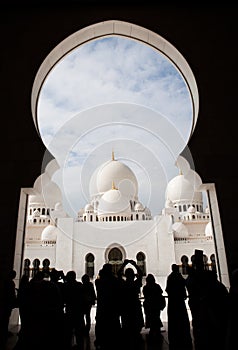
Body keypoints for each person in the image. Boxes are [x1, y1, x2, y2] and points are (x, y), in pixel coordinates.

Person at [117, 259, 144, 349]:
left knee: (126, 326)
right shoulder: (136, 284)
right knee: (136, 328)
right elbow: (141, 274)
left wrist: (124, 264)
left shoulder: (123, 284)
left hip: (126, 307)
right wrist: (135, 265)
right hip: (135, 306)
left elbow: (118, 274)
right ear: (133, 275)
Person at [94, 263, 121, 350]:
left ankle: (100, 341)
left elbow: (98, 279)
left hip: (102, 309)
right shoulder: (114, 281)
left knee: (101, 327)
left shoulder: (99, 282)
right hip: (112, 310)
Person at [166, 264, 192, 350]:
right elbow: (184, 285)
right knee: (182, 319)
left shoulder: (170, 277)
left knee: (174, 320)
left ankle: (175, 335)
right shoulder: (179, 276)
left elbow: (168, 289)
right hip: (179, 302)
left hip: (173, 302)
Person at [64, 270, 85, 349]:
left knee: (68, 332)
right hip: (78, 312)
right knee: (79, 332)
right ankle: (80, 346)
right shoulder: (79, 285)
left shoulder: (66, 286)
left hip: (70, 311)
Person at [143, 273, 165, 338]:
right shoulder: (157, 286)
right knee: (156, 317)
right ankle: (157, 330)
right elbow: (161, 292)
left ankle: (152, 330)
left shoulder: (145, 287)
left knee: (150, 318)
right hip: (156, 305)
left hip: (149, 305)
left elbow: (145, 295)